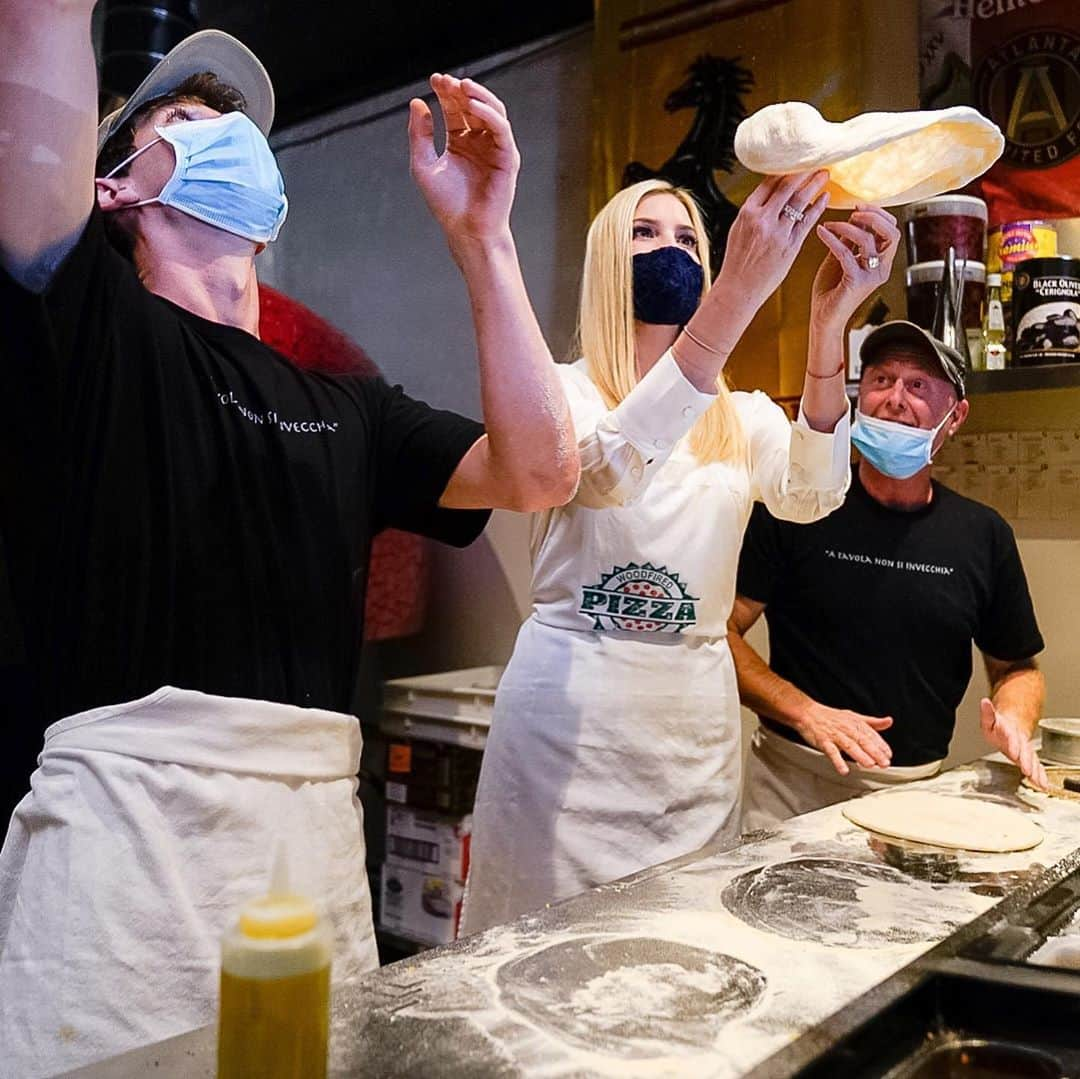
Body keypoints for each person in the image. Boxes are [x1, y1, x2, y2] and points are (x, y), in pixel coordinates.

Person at [0, 10, 577, 1073]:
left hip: (306, 850)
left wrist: (484, 239)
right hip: (124, 853)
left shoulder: (349, 404)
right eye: (184, 119)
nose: (225, 134)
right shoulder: (84, 327)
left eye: (238, 129)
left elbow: (543, 470)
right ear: (114, 184)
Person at [460, 172, 903, 935]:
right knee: (541, 952)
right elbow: (603, 472)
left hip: (691, 735)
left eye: (687, 238)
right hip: (568, 729)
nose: (670, 249)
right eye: (645, 233)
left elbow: (814, 492)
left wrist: (829, 322)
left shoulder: (741, 416)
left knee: (684, 946)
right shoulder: (562, 394)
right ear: (606, 260)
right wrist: (738, 291)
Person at [731, 320, 1048, 833]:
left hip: (918, 794)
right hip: (789, 788)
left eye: (918, 385)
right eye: (881, 380)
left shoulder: (983, 535)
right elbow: (720, 633)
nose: (895, 398)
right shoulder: (798, 503)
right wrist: (805, 711)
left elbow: (1018, 668)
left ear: (955, 416)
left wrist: (1015, 719)